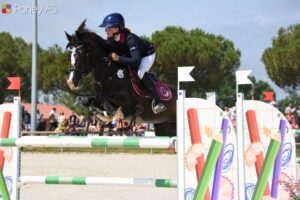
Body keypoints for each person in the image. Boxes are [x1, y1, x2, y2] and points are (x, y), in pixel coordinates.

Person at [99, 13, 166, 114]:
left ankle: (158, 101)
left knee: (140, 72)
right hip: (131, 55)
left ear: (116, 28)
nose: (105, 30)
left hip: (146, 54)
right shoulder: (111, 39)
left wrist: (118, 58)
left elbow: (136, 61)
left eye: (108, 28)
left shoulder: (130, 39)